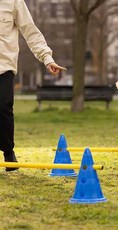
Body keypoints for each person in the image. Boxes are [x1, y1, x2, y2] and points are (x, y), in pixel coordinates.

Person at [0, 0, 66, 171]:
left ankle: (8, 151)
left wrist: (47, 58)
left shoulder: (13, 2)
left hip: (3, 67)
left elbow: (31, 32)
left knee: (4, 107)